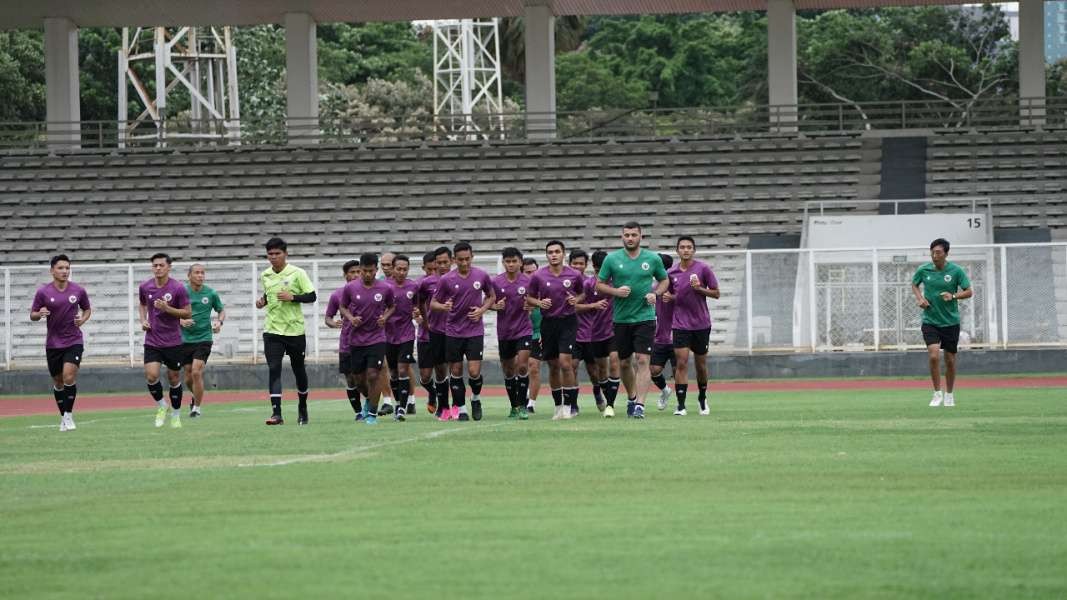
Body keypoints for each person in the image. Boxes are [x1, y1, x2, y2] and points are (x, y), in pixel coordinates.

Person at [596, 221, 669, 419]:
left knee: (643, 360)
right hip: (621, 319)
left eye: (633, 235)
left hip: (645, 317)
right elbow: (599, 285)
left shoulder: (652, 258)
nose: (630, 238)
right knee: (625, 363)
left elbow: (664, 280)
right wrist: (615, 291)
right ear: (622, 237)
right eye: (627, 235)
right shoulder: (612, 259)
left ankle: (640, 406)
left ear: (640, 236)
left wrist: (657, 294)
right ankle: (631, 396)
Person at [431, 242, 495, 421]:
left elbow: (491, 296)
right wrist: (443, 306)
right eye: (460, 260)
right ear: (454, 260)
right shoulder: (446, 280)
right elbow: (433, 303)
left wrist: (482, 310)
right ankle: (462, 408)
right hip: (453, 331)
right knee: (456, 370)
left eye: (467, 259)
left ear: (472, 257)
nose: (464, 263)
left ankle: (475, 398)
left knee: (474, 372)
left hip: (474, 330)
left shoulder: (481, 275)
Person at [256, 237, 317, 425]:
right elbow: (269, 294)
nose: (273, 257)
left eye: (277, 254)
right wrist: (262, 301)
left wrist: (293, 297)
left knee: (299, 370)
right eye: (270, 254)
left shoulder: (298, 273)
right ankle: (277, 414)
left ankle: (303, 407)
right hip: (272, 330)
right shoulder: (265, 275)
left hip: (295, 331)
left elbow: (312, 296)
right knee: (274, 369)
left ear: (285, 254)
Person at [30, 254, 91, 432]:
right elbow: (32, 315)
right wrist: (39, 313)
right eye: (60, 268)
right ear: (52, 271)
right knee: (58, 382)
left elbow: (87, 309)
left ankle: (69, 416)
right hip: (53, 344)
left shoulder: (78, 291)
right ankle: (63, 416)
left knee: (69, 377)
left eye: (67, 268)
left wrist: (83, 320)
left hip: (74, 340)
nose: (65, 271)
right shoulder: (43, 292)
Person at [527, 240, 585, 420]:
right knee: (552, 365)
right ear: (546, 255)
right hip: (548, 323)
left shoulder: (574, 274)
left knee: (566, 363)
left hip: (568, 322)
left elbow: (582, 293)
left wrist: (576, 300)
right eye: (550, 252)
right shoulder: (538, 275)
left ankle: (568, 406)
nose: (554, 255)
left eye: (557, 251)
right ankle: (558, 406)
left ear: (563, 254)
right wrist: (539, 302)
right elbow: (529, 297)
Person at [911, 238, 972, 407]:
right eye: (932, 251)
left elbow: (969, 291)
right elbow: (914, 284)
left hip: (950, 322)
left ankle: (949, 394)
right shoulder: (924, 270)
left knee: (950, 360)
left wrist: (953, 296)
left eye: (938, 252)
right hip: (930, 320)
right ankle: (937, 393)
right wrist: (920, 299)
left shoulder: (956, 271)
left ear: (946, 254)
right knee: (933, 355)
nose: (934, 255)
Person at [665, 237, 719, 416]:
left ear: (694, 250)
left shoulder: (703, 269)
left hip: (701, 324)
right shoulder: (671, 272)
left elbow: (716, 293)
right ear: (677, 250)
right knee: (681, 363)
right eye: (682, 247)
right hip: (680, 324)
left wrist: (700, 289)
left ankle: (702, 398)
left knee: (701, 364)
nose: (686, 250)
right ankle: (681, 405)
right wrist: (668, 297)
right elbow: (672, 295)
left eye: (689, 247)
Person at [340, 253, 396, 425]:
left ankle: (372, 413)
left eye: (371, 271)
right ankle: (368, 401)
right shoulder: (350, 288)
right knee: (359, 380)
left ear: (376, 269)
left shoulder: (385, 288)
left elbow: (392, 305)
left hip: (377, 338)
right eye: (364, 271)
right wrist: (350, 318)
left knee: (374, 375)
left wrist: (385, 317)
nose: (367, 274)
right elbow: (342, 306)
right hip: (356, 340)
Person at [139, 252, 192, 428]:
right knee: (151, 375)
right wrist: (143, 320)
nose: (158, 268)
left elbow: (187, 312)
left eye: (162, 265)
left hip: (173, 341)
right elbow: (142, 304)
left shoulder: (178, 288)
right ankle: (162, 405)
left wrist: (167, 308)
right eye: (155, 265)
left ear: (169, 267)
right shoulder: (145, 286)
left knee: (174, 378)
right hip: (153, 340)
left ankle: (176, 415)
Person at [575, 250, 621, 418]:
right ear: (593, 268)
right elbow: (575, 306)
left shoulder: (616, 282)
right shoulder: (588, 284)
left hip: (615, 330)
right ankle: (602, 394)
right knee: (600, 370)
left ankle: (610, 404)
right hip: (595, 332)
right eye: (598, 269)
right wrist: (592, 305)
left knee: (614, 362)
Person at [491, 247, 533, 420]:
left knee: (522, 366)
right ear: (503, 263)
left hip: (524, 330)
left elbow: (536, 299)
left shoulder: (529, 281)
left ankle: (523, 405)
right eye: (508, 261)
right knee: (508, 371)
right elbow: (487, 302)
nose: (511, 264)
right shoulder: (496, 282)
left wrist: (532, 305)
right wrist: (495, 306)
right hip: (505, 332)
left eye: (514, 261)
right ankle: (514, 406)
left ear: (520, 262)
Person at [180, 263, 225, 418]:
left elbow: (221, 310)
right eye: (197, 273)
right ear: (189, 275)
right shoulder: (181, 292)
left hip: (204, 338)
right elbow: (170, 312)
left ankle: (197, 409)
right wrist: (180, 321)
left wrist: (219, 322)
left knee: (196, 372)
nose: (200, 276)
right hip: (184, 339)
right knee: (187, 377)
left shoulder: (211, 293)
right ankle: (196, 397)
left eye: (202, 273)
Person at [417, 246, 454, 420]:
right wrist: (424, 321)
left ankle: (449, 406)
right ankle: (433, 394)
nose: (436, 269)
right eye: (432, 267)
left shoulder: (456, 280)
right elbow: (418, 303)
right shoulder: (425, 283)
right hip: (428, 334)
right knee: (426, 376)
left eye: (439, 264)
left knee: (448, 369)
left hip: (452, 332)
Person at [325, 260, 364, 420]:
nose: (355, 275)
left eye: (358, 272)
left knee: (366, 377)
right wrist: (333, 323)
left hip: (368, 341)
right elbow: (328, 317)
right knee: (350, 378)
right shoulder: (337, 295)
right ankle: (358, 412)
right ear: (345, 275)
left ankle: (370, 406)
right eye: (352, 272)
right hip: (347, 343)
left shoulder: (372, 291)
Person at [385, 254, 419, 421]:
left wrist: (418, 313)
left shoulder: (413, 286)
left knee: (402, 369)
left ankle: (402, 409)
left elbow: (418, 306)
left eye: (405, 269)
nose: (402, 272)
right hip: (387, 335)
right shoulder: (384, 287)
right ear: (392, 269)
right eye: (399, 269)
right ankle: (398, 402)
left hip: (406, 334)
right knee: (392, 372)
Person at [650, 253, 676, 411]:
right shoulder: (655, 286)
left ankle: (681, 403)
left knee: (678, 370)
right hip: (660, 335)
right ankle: (665, 390)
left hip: (677, 333)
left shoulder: (675, 283)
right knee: (654, 370)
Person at [376, 251, 397, 415]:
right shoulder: (378, 283)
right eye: (383, 265)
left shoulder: (403, 283)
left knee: (399, 370)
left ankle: (408, 400)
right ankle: (387, 401)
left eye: (388, 264)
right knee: (382, 366)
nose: (385, 268)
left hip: (400, 332)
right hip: (381, 332)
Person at [523, 258, 543, 414]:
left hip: (538, 333)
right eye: (527, 272)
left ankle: (531, 403)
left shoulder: (544, 289)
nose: (531, 275)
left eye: (533, 271)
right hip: (520, 333)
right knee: (519, 367)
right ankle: (521, 397)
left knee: (534, 367)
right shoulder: (518, 290)